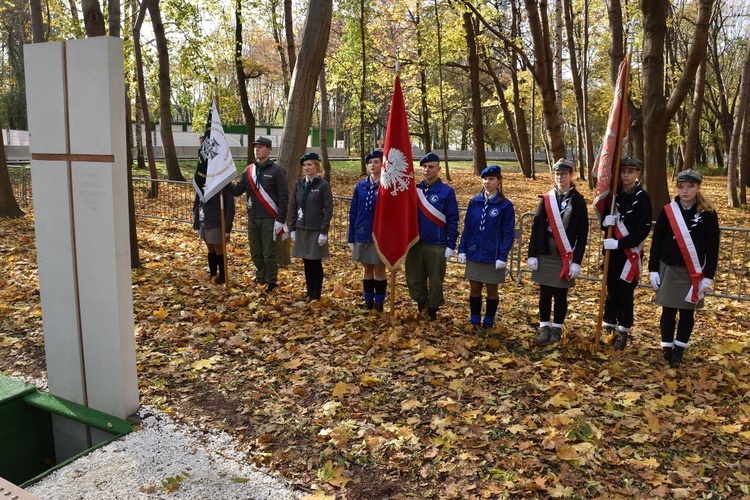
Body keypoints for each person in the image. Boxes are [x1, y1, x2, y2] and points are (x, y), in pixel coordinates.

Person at [648, 169, 719, 368]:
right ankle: (666, 349)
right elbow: (657, 241)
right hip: (669, 268)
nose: (685, 191)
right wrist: (653, 269)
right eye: (682, 187)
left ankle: (679, 351)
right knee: (668, 311)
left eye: (690, 186)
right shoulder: (668, 210)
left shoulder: (708, 213)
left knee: (687, 313)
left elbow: (713, 246)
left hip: (693, 272)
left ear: (698, 188)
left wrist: (708, 275)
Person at [527, 158, 589, 345]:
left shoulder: (578, 201)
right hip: (546, 252)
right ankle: (544, 326)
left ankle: (557, 328)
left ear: (571, 175)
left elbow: (583, 233)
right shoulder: (547, 199)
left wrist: (577, 261)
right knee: (545, 292)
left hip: (565, 255)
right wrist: (532, 254)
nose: (560, 177)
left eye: (564, 174)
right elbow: (536, 227)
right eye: (557, 174)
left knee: (561, 294)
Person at [599, 156, 652, 350]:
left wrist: (620, 243)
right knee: (611, 293)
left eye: (630, 171)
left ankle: (623, 332)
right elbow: (606, 219)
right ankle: (609, 328)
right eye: (623, 171)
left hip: (630, 254)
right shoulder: (614, 195)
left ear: (638, 173)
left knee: (625, 295)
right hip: (612, 255)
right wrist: (605, 223)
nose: (626, 175)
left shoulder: (643, 197)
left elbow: (642, 230)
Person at [457, 165, 515, 329]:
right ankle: (475, 318)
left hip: (493, 255)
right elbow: (468, 227)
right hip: (475, 253)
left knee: (491, 290)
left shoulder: (505, 205)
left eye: (491, 179)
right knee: (474, 288)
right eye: (485, 179)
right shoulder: (474, 202)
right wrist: (462, 249)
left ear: (498, 181)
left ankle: (489, 319)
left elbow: (507, 233)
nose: (487, 182)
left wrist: (502, 256)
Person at [227, 136, 289, 291]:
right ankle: (261, 276)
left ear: (268, 150)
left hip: (269, 218)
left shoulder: (277, 171)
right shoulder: (249, 170)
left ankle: (271, 280)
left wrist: (281, 220)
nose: (257, 149)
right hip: (253, 217)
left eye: (261, 147)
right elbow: (238, 190)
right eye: (256, 147)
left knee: (268, 252)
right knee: (255, 251)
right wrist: (225, 182)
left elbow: (283, 196)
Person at [405, 152, 460, 320]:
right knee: (414, 277)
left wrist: (451, 244)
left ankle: (433, 309)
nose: (427, 170)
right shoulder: (414, 190)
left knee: (435, 280)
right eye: (424, 167)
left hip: (436, 243)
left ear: (438, 169)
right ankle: (420, 304)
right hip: (415, 242)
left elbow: (452, 218)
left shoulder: (446, 191)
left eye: (431, 167)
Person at [289, 152, 333, 301]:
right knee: (306, 261)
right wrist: (293, 227)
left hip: (316, 229)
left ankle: (316, 293)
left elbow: (328, 209)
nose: (306, 168)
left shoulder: (323, 185)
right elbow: (294, 205)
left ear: (317, 166)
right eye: (304, 165)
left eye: (310, 165)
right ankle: (309, 292)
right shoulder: (299, 183)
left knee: (315, 261)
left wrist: (323, 231)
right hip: (302, 228)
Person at [348, 150, 387, 311]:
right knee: (366, 269)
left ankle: (379, 303)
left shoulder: (387, 185)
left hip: (379, 235)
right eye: (370, 162)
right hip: (362, 233)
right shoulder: (361, 186)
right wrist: (351, 236)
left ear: (382, 164)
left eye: (376, 162)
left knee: (379, 269)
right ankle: (368, 300)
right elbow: (354, 211)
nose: (373, 165)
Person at [192, 190, 235, 284]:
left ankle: (223, 276)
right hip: (204, 221)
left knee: (219, 250)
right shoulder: (202, 182)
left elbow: (230, 207)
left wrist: (227, 227)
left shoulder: (223, 183)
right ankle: (213, 274)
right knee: (210, 249)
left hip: (217, 222)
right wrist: (196, 223)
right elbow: (197, 204)